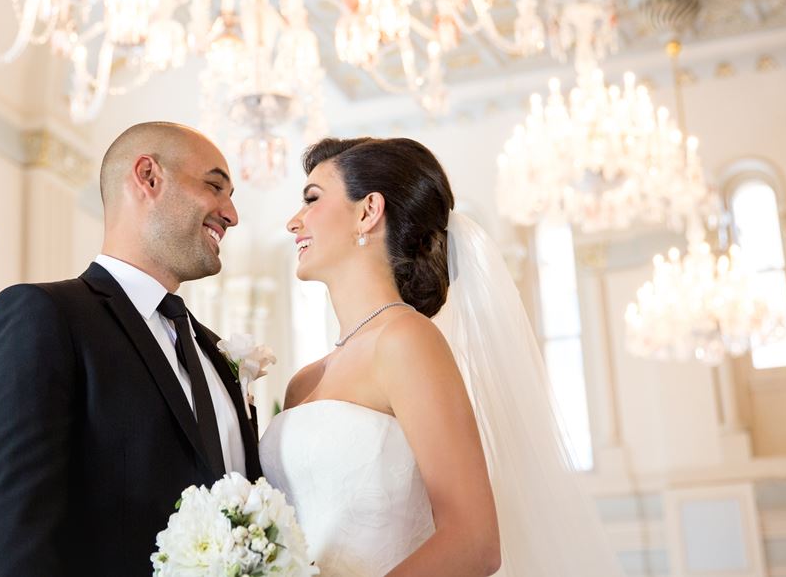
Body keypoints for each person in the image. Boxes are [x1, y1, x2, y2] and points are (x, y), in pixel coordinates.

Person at [260, 137, 623, 577]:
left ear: (367, 211)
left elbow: (475, 542)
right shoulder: (302, 382)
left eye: (312, 199)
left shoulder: (405, 340)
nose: (293, 223)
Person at [0, 121, 261, 577]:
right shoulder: (46, 315)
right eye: (214, 186)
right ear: (148, 177)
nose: (231, 214)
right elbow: (14, 538)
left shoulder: (213, 350)